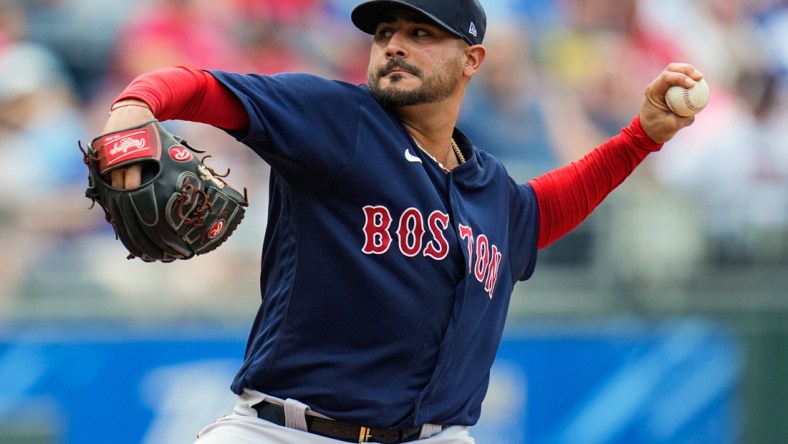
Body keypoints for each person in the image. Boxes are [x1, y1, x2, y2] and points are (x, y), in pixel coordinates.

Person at [93, 0, 702, 442]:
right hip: (289, 433)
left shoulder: (488, 186)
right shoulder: (337, 118)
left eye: (420, 31)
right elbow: (199, 88)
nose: (394, 45)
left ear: (472, 59)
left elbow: (538, 212)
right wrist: (132, 110)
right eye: (384, 32)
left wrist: (639, 137)